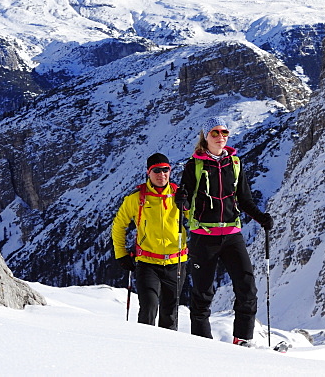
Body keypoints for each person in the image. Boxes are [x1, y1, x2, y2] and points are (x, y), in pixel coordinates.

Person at [177, 116, 274, 346]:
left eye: (224, 133)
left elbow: (244, 200)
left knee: (247, 288)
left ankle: (242, 339)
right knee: (202, 294)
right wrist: (180, 199)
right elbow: (184, 200)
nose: (221, 137)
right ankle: (203, 345)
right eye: (215, 133)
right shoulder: (194, 165)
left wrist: (261, 218)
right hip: (203, 237)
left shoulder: (235, 163)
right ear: (205, 137)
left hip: (231, 235)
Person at [111, 152, 187, 329]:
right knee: (148, 309)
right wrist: (121, 255)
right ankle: (144, 351)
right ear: (148, 173)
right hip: (147, 263)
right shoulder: (136, 199)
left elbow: (195, 221)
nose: (162, 175)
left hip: (176, 262)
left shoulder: (179, 195)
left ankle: (167, 352)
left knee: (170, 313)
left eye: (166, 170)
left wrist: (188, 205)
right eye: (157, 171)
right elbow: (118, 226)